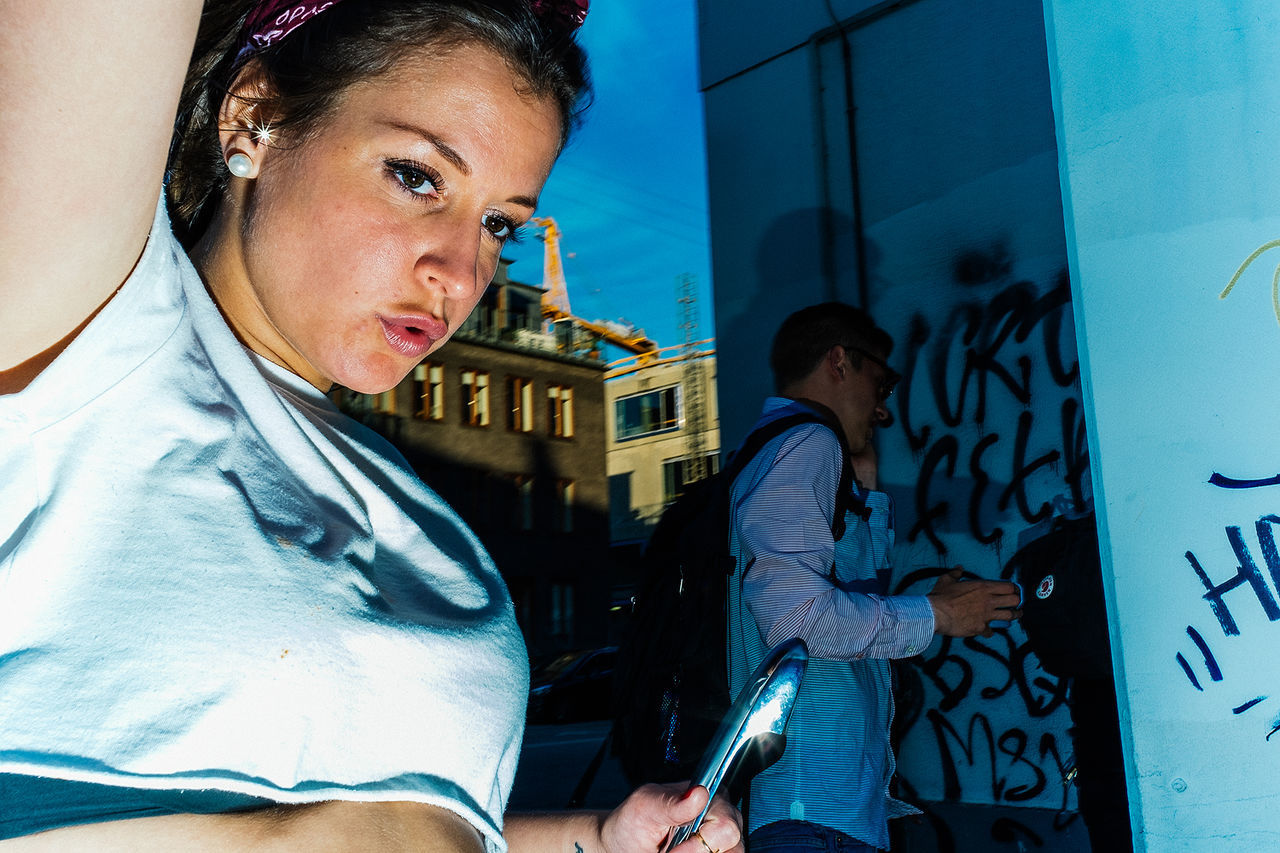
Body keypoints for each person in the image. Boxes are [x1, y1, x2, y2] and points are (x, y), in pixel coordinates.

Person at [0, 2, 742, 852]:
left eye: (499, 223)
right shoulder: (91, 335)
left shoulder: (411, 503)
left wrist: (597, 837)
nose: (460, 275)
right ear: (256, 117)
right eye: (419, 176)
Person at [725, 303, 1022, 853]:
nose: (884, 410)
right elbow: (800, 619)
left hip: (820, 808)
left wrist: (868, 498)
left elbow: (832, 601)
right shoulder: (806, 443)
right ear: (839, 362)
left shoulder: (777, 449)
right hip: (808, 807)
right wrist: (939, 614)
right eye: (882, 383)